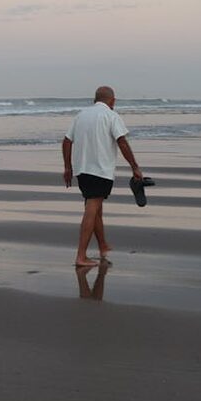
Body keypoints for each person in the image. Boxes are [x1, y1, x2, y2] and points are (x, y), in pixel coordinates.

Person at [62, 86, 142, 267]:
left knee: (95, 206)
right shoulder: (111, 116)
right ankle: (81, 256)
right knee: (92, 207)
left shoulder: (81, 115)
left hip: (82, 170)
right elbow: (121, 141)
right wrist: (135, 167)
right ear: (112, 101)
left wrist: (68, 167)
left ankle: (103, 245)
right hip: (100, 170)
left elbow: (67, 141)